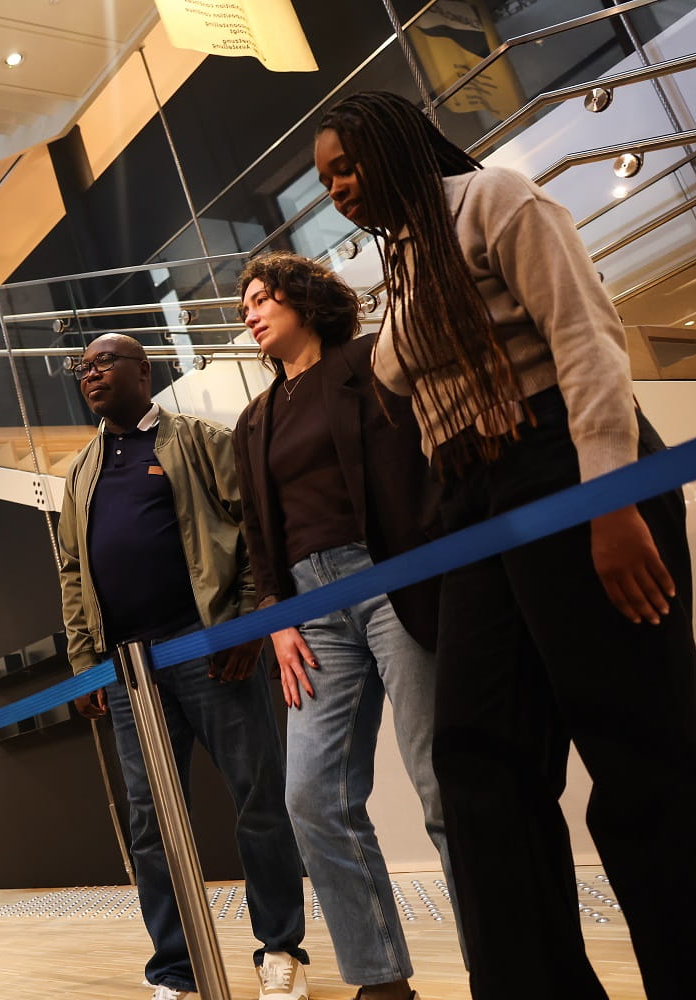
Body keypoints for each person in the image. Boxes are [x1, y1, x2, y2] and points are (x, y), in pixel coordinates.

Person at [314, 90, 696, 999]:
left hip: (563, 465)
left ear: (397, 145)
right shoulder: (410, 263)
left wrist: (610, 499)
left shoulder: (496, 199)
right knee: (475, 759)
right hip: (473, 502)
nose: (339, 189)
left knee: (638, 738)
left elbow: (586, 338)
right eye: (326, 179)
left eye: (347, 165)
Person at [60, 333, 311, 1000]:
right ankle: (176, 969)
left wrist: (250, 618)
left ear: (145, 371)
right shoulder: (80, 471)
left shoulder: (197, 438)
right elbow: (71, 571)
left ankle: (281, 950)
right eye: (83, 368)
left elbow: (254, 524)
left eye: (105, 362)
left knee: (258, 802)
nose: (91, 374)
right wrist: (85, 659)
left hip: (211, 650)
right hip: (127, 675)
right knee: (148, 826)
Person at [232, 251, 452, 1000]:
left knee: (442, 780)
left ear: (304, 299)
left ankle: (506, 953)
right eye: (245, 306)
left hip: (393, 580)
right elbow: (261, 538)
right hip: (309, 612)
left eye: (264, 298)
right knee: (311, 798)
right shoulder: (253, 420)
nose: (252, 312)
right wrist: (277, 617)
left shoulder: (369, 363)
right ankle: (382, 980)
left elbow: (425, 466)